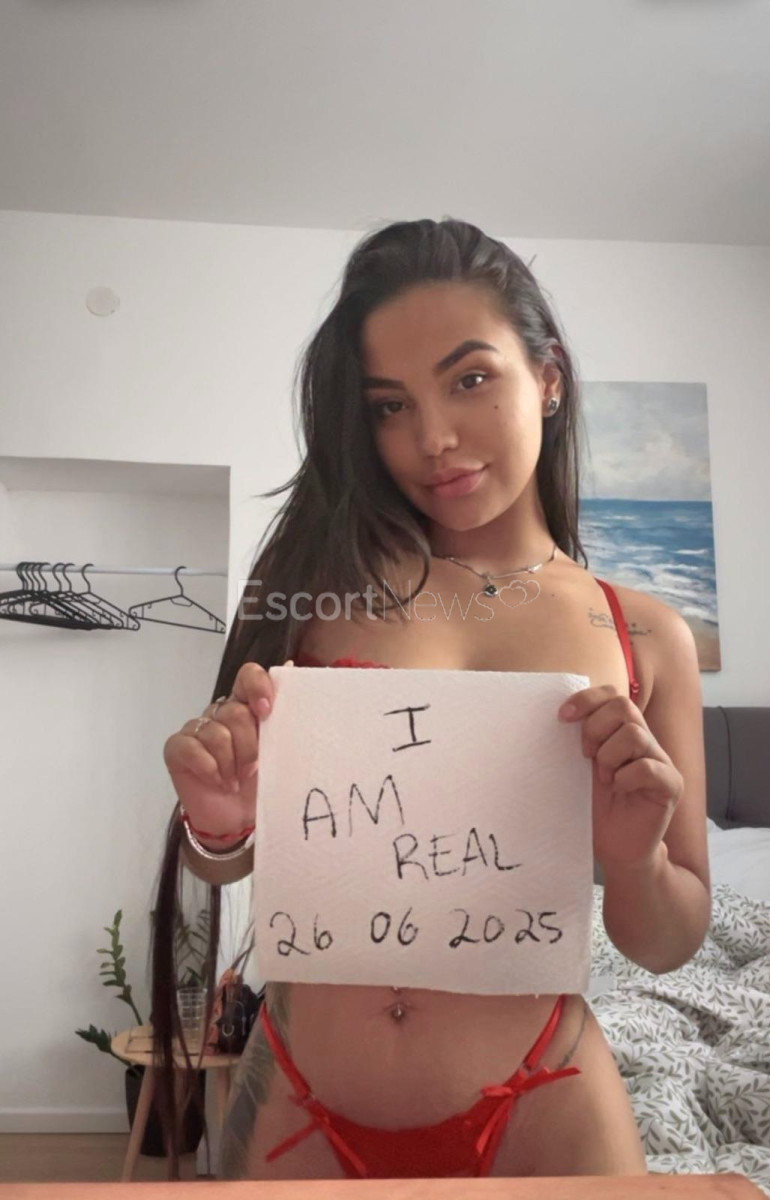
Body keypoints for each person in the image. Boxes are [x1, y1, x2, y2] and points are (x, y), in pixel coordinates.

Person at [152, 216, 711, 1181]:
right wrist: (218, 821)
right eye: (388, 406)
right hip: (298, 1102)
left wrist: (633, 859)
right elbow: (223, 857)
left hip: (544, 1102)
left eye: (470, 379)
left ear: (547, 375)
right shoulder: (309, 588)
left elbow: (666, 944)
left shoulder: (645, 635)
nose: (433, 439)